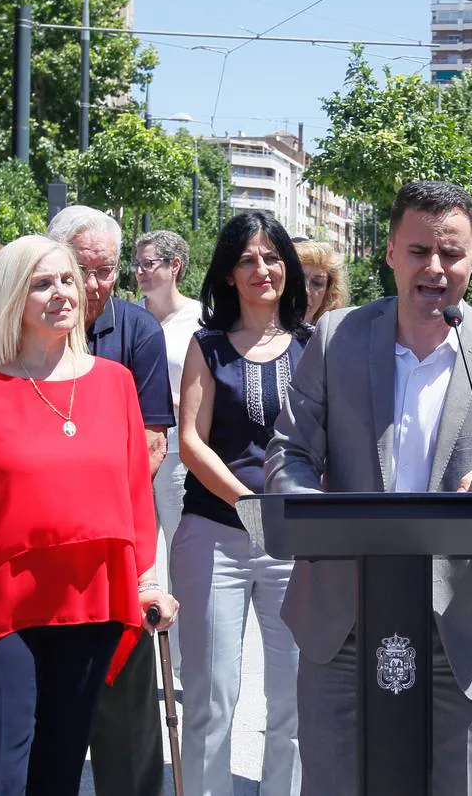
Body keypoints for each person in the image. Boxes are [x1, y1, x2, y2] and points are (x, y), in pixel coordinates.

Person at [265, 180, 472, 796]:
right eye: (418, 251)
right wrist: (313, 513)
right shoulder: (335, 339)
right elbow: (289, 452)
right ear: (389, 253)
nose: (435, 268)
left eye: (451, 253)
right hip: (343, 616)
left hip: (463, 624)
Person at [0, 235, 177, 795]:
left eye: (67, 280)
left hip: (89, 604)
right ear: (9, 299)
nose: (61, 294)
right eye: (41, 284)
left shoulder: (116, 384)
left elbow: (132, 499)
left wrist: (145, 582)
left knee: (58, 773)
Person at [169, 212, 307, 796]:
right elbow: (191, 440)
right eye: (247, 259)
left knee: (296, 698)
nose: (262, 269)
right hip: (214, 534)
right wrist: (250, 501)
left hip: (295, 541)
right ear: (228, 273)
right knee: (209, 695)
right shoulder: (207, 346)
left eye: (272, 257)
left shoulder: (312, 345)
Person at [47, 205, 175, 796]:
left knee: (125, 710)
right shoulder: (25, 326)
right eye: (84, 270)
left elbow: (151, 445)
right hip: (41, 545)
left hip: (118, 539)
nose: (96, 286)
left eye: (107, 272)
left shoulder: (137, 330)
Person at [133, 229, 202, 683]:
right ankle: (136, 664)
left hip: (178, 453)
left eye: (149, 263)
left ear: (174, 266)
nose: (139, 272)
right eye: (136, 264)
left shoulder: (199, 319)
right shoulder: (130, 320)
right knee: (138, 561)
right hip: (133, 454)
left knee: (181, 559)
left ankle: (184, 668)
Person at [294, 239, 348, 324]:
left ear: (328, 293)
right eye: (297, 280)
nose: (305, 291)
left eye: (317, 283)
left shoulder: (337, 335)